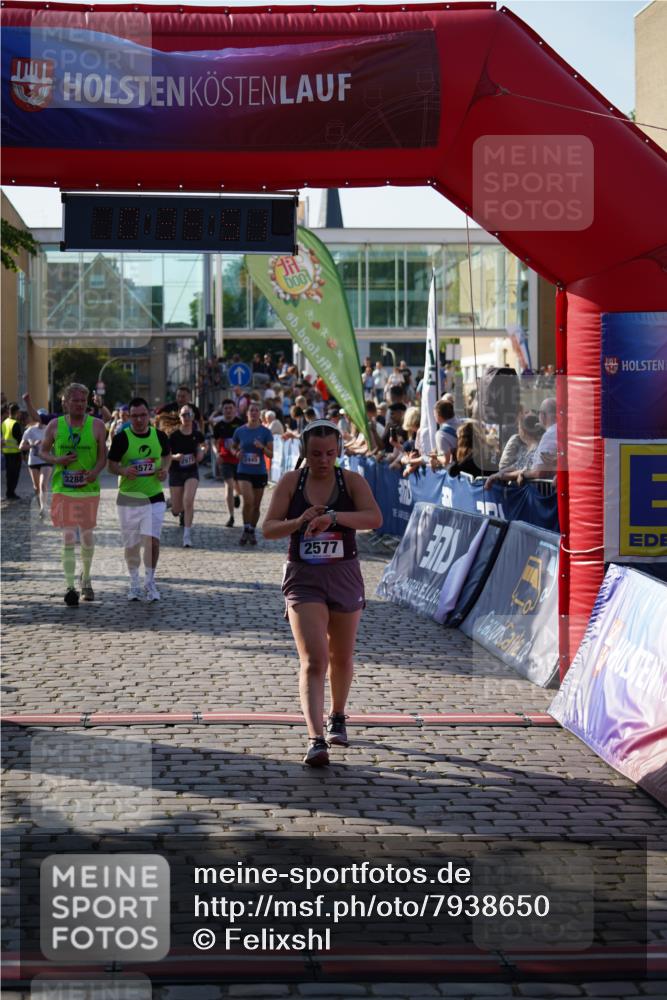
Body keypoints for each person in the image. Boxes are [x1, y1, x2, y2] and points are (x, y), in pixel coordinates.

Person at [263, 420, 382, 767]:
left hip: (344, 574)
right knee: (315, 659)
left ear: (339, 451)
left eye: (330, 453)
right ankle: (316, 739)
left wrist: (334, 517)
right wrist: (299, 522)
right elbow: (268, 529)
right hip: (303, 578)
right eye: (316, 454)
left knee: (341, 657)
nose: (323, 460)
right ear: (304, 452)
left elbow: (374, 518)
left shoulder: (351, 482)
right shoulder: (291, 482)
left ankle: (338, 715)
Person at [40, 384, 107, 605]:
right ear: (65, 403)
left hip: (88, 489)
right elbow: (43, 451)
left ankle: (86, 578)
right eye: (75, 400)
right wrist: (57, 460)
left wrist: (95, 472)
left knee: (87, 537)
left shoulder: (97, 425)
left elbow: (102, 458)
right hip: (63, 489)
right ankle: (70, 586)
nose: (79, 404)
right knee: (68, 537)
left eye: (82, 400)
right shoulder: (54, 425)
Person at [107, 397, 172, 601]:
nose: (139, 420)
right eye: (134, 416)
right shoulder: (121, 438)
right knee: (132, 544)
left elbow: (167, 456)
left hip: (154, 497)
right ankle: (134, 582)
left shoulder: (160, 436)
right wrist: (123, 470)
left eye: (143, 415)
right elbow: (111, 466)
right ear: (129, 417)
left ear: (149, 415)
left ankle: (150, 582)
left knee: (152, 541)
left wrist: (165, 470)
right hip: (129, 498)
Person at [231, 401, 273, 546]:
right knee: (248, 501)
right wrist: (236, 453)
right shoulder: (240, 431)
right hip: (243, 471)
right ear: (247, 413)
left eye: (256, 410)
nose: (253, 413)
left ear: (259, 413)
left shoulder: (265, 432)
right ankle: (245, 528)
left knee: (256, 505)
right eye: (251, 411)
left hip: (259, 472)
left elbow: (271, 454)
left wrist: (262, 448)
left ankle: (252, 530)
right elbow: (233, 447)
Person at [167, 405, 206, 547]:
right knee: (177, 510)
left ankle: (187, 535)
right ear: (179, 417)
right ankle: (172, 502)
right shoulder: (173, 435)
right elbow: (165, 455)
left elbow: (203, 445)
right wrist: (175, 457)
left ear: (193, 417)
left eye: (189, 415)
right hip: (176, 472)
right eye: (184, 415)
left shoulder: (197, 434)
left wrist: (202, 451)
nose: (187, 418)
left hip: (191, 472)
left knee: (188, 500)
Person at [212, 399, 243, 526]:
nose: (228, 411)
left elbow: (244, 441)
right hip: (225, 460)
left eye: (231, 408)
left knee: (239, 489)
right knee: (228, 485)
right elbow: (214, 443)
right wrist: (217, 454)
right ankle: (231, 516)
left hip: (239, 460)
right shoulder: (218, 426)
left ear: (235, 410)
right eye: (226, 408)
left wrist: (239, 450)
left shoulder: (240, 424)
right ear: (222, 410)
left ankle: (237, 495)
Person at [20, 409, 52, 516]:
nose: (41, 419)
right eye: (39, 416)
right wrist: (32, 445)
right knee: (36, 487)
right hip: (33, 461)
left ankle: (43, 507)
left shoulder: (50, 430)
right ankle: (40, 506)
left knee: (43, 484)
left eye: (43, 417)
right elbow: (21, 447)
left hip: (46, 460)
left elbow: (57, 444)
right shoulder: (29, 431)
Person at [2, 403, 23, 500]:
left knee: (9, 474)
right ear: (17, 412)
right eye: (19, 412)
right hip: (15, 453)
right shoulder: (15, 424)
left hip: (6, 452)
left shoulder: (4, 422)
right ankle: (11, 493)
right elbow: (20, 440)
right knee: (14, 474)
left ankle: (9, 492)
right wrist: (25, 454)